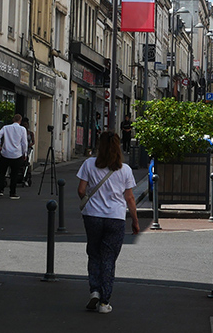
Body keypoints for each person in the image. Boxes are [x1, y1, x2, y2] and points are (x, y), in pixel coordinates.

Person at [77, 131, 140, 314]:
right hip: (116, 218)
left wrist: (91, 200)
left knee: (94, 253)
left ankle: (94, 290)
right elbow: (130, 198)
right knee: (109, 258)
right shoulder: (125, 170)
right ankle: (104, 302)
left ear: (100, 146)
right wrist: (135, 221)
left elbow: (81, 190)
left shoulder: (88, 164)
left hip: (92, 216)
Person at [0, 114, 28, 199]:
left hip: (5, 153)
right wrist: (25, 153)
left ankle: (0, 190)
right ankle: (12, 193)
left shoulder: (6, 127)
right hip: (16, 154)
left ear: (13, 119)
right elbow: (24, 143)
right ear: (20, 121)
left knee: (2, 172)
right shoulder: (22, 129)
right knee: (14, 174)